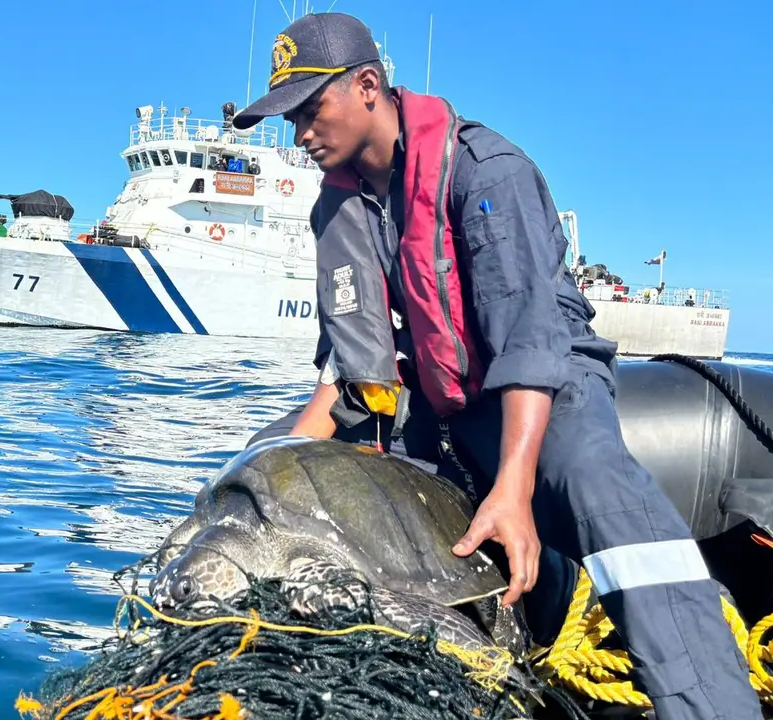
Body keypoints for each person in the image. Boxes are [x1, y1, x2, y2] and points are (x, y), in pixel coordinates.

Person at [232, 12, 762, 720]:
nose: (299, 134)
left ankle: (709, 701)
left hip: (549, 383)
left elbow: (531, 345)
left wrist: (513, 487)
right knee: (274, 461)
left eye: (309, 110)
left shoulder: (488, 173)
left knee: (595, 483)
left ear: (367, 86)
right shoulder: (336, 211)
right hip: (442, 401)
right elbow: (352, 370)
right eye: (289, 118)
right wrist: (278, 456)